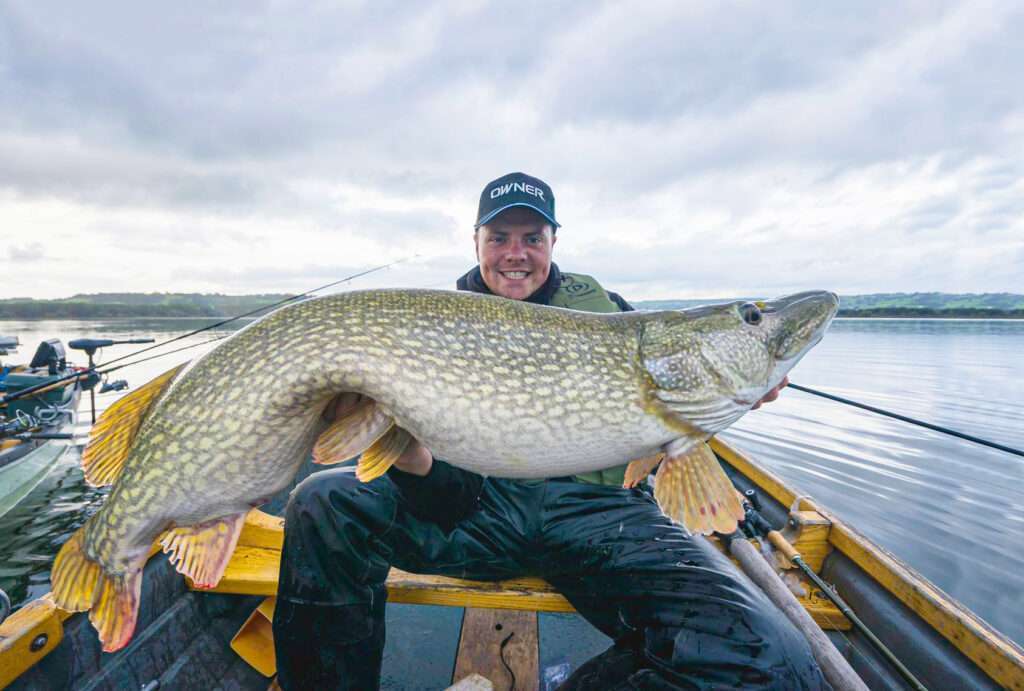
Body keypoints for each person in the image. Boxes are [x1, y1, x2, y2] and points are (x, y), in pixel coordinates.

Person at [272, 172, 827, 690]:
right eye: (499, 237)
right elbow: (442, 493)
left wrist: (739, 390)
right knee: (322, 501)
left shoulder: (613, 317)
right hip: (476, 509)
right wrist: (408, 454)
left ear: (553, 242)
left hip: (598, 517)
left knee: (770, 658)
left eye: (532, 237)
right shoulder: (426, 330)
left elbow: (682, 388)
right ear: (477, 244)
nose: (516, 253)